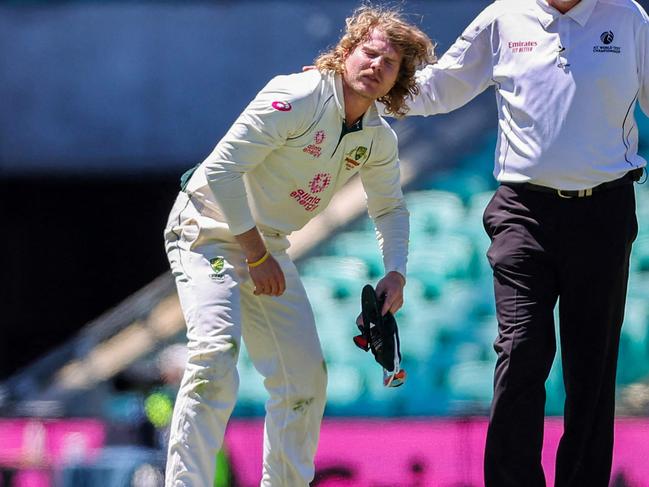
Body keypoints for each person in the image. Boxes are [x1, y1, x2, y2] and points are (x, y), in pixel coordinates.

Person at [162, 6, 435, 486]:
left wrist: (396, 272)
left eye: (389, 63)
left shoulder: (377, 138)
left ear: (399, 78)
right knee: (216, 357)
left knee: (305, 380)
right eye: (369, 53)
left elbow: (389, 209)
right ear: (347, 52)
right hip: (208, 231)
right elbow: (222, 172)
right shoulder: (298, 94)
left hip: (266, 247)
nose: (376, 66)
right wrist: (257, 254)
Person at [398, 0, 648, 485]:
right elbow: (443, 85)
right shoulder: (503, 16)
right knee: (520, 350)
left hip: (604, 213)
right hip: (522, 213)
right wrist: (359, 87)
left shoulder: (629, 17)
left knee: (591, 367)